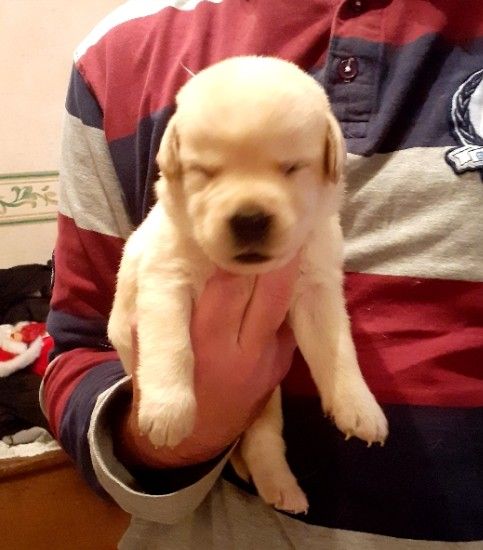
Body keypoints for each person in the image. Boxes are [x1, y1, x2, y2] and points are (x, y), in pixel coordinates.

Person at [42, 0, 483, 548]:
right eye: (208, 173)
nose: (249, 209)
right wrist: (177, 414)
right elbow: (86, 339)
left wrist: (343, 388)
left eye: (289, 168)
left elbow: (321, 304)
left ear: (330, 154)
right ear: (172, 162)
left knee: (273, 390)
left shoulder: (319, 221)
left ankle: (265, 456)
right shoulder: (120, 51)